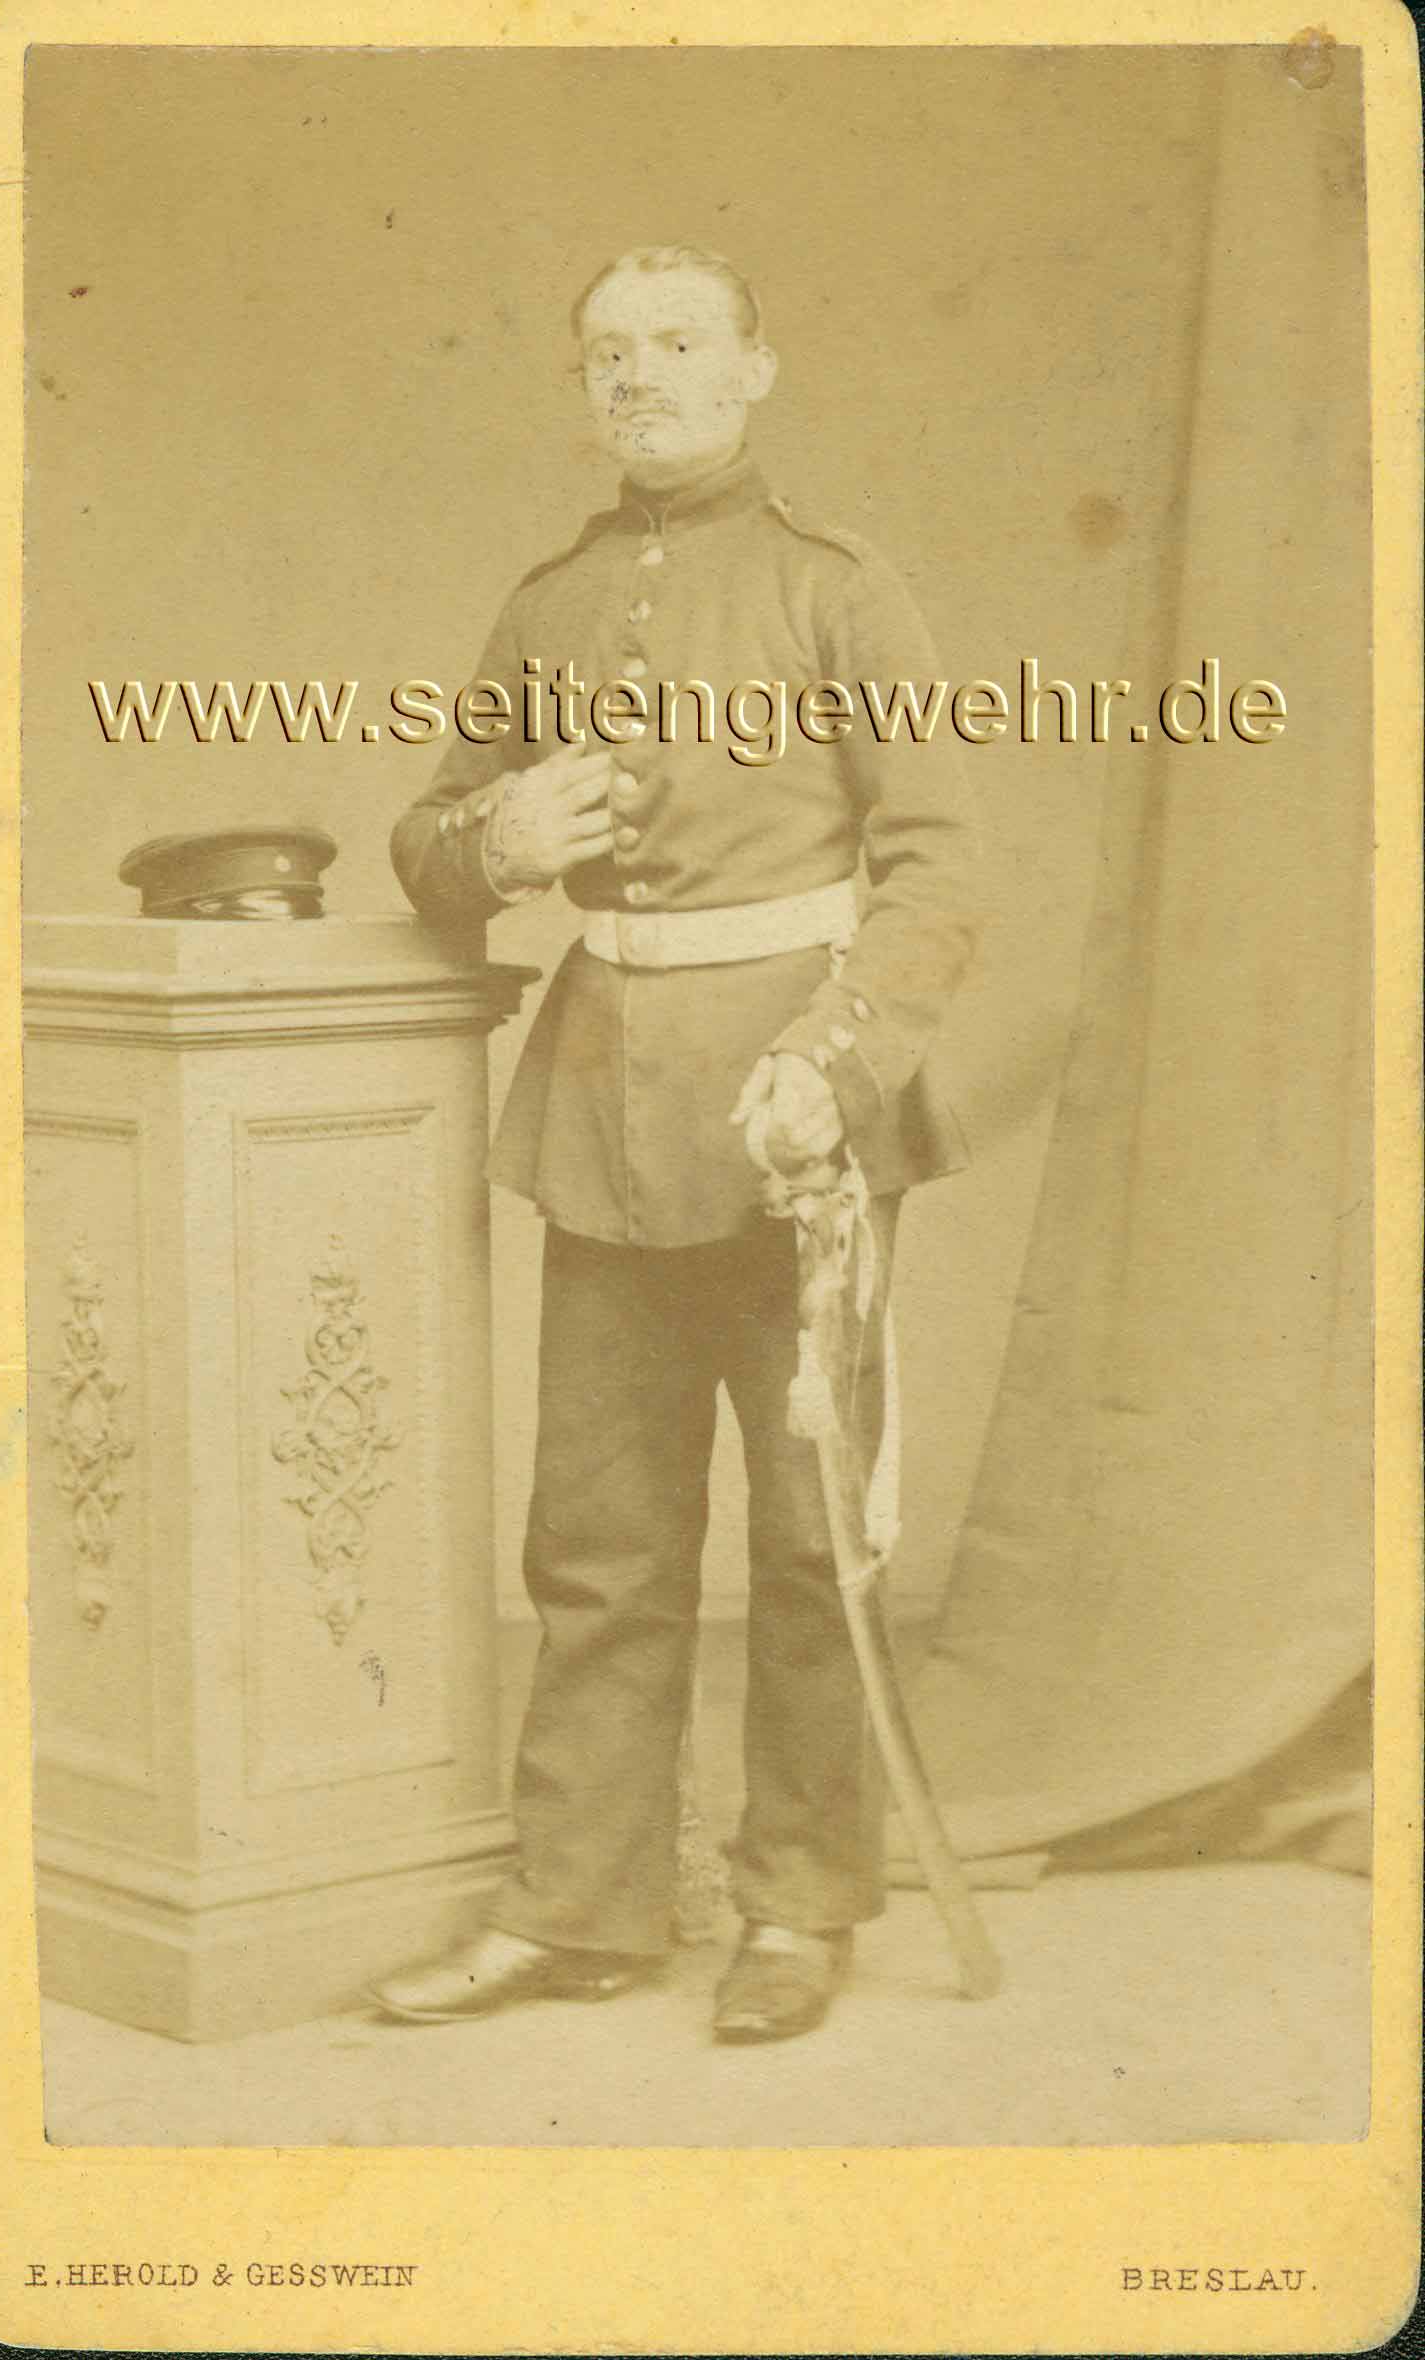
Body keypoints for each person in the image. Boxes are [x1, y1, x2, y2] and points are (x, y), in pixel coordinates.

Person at [375, 243, 979, 2042]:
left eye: (677, 342)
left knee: (805, 1543)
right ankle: (580, 1907)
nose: (638, 376)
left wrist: (832, 1065)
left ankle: (795, 1906)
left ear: (753, 368)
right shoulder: (548, 603)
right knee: (599, 1542)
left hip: (794, 1122)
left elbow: (937, 871)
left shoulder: (837, 590)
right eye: (607, 353)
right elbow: (424, 836)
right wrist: (495, 841)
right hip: (602, 1115)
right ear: (586, 390)